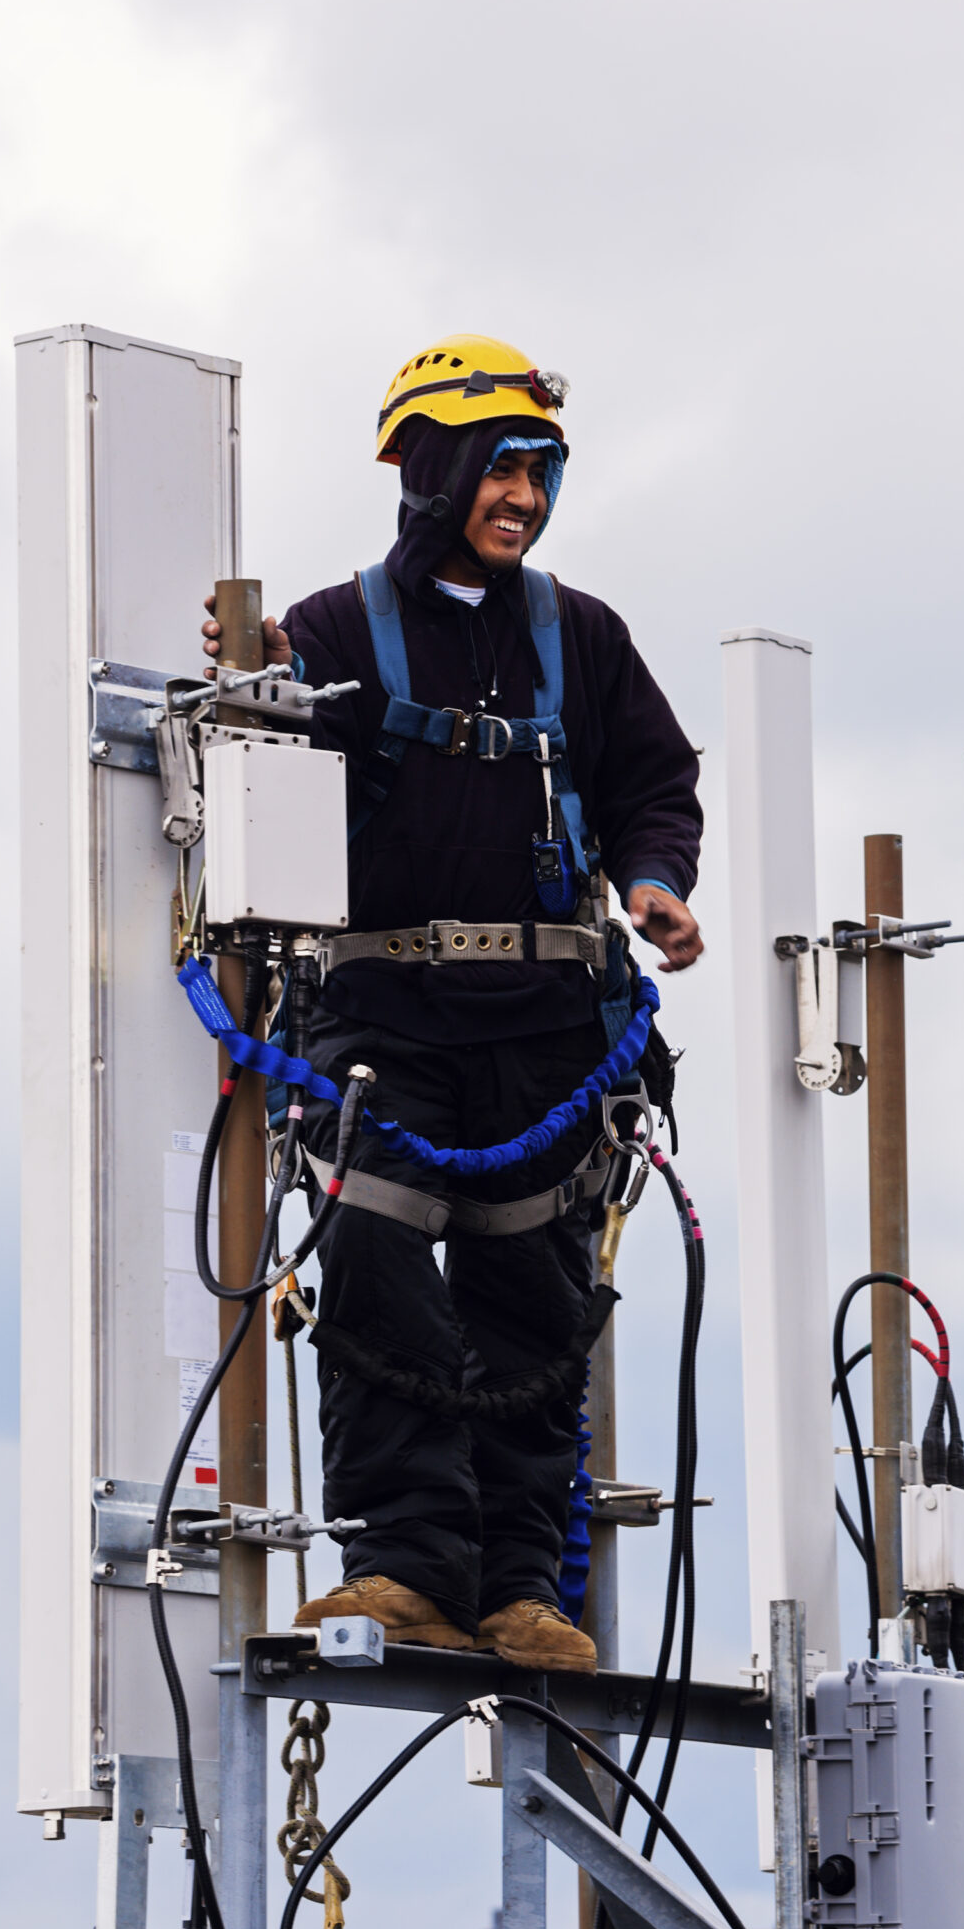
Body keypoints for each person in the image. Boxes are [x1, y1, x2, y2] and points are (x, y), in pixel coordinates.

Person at [202, 337, 703, 1671]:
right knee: (369, 1264)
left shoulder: (582, 638)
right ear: (434, 468)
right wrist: (258, 672)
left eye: (541, 474)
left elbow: (656, 781)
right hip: (386, 1012)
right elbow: (261, 752)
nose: (524, 499)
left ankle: (520, 1588)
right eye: (503, 470)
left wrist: (653, 883)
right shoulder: (328, 632)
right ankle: (407, 1566)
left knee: (532, 1296)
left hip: (546, 1023)